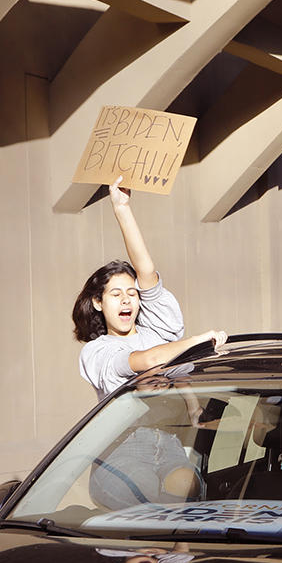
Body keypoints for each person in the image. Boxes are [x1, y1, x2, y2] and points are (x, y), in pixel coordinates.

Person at [72, 177, 227, 508]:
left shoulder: (156, 329)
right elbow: (144, 361)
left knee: (187, 492)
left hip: (169, 444)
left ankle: (175, 559)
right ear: (98, 302)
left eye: (132, 294)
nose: (126, 301)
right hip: (123, 449)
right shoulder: (98, 351)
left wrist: (123, 208)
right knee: (143, 499)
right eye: (115, 294)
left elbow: (148, 272)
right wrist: (197, 341)